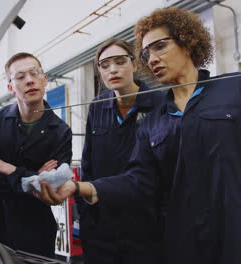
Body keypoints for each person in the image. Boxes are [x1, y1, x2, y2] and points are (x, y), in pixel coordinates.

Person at [36, 7, 241, 264]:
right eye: (147, 54)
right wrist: (79, 187)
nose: (153, 58)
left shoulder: (237, 91)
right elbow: (139, 181)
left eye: (160, 46)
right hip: (183, 245)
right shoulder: (154, 121)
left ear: (187, 42)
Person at [0, 52, 72, 258]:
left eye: (35, 73)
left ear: (44, 80)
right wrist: (33, 178)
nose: (29, 80)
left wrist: (11, 169)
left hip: (35, 228)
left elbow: (54, 185)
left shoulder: (60, 131)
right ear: (10, 87)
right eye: (20, 76)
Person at [78, 38, 165, 264]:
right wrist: (88, 216)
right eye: (105, 65)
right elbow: (88, 163)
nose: (113, 70)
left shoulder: (161, 102)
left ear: (135, 65)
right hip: (103, 225)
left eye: (120, 62)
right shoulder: (98, 106)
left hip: (148, 226)